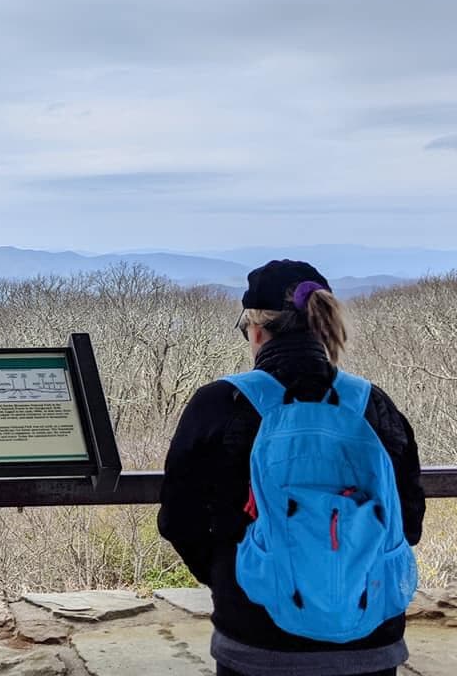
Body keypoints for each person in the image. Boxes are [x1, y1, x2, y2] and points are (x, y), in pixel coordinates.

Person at [157, 259, 425, 676]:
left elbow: (178, 519)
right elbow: (408, 520)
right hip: (371, 638)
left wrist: (234, 574)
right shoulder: (372, 405)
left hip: (258, 637)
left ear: (256, 329)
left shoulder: (220, 405)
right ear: (322, 325)